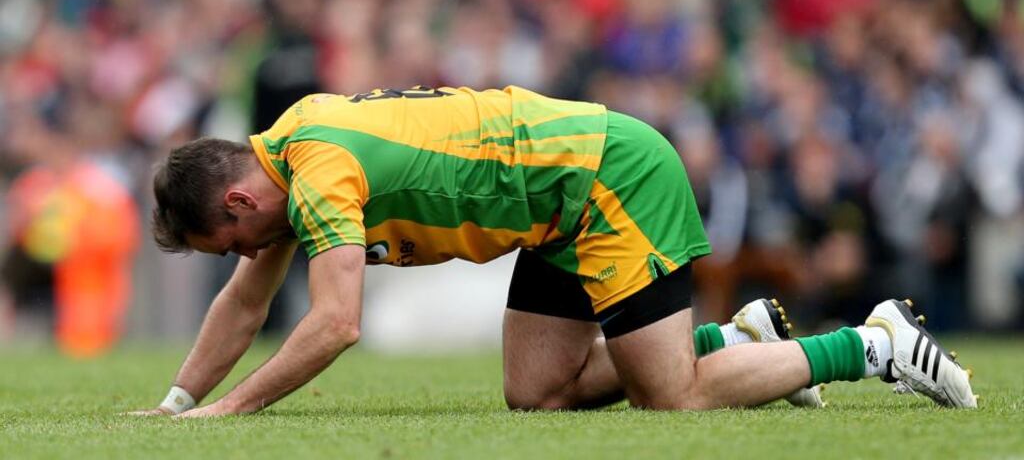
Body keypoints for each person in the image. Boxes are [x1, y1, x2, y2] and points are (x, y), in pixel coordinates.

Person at [132, 86, 976, 417]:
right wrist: (178, 404)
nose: (242, 256)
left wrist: (230, 411)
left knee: (671, 397)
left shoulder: (317, 172)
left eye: (228, 242)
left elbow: (335, 323)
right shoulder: (290, 145)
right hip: (553, 210)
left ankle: (872, 344)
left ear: (238, 201)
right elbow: (246, 303)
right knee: (537, 394)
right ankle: (736, 340)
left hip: (607, 178)